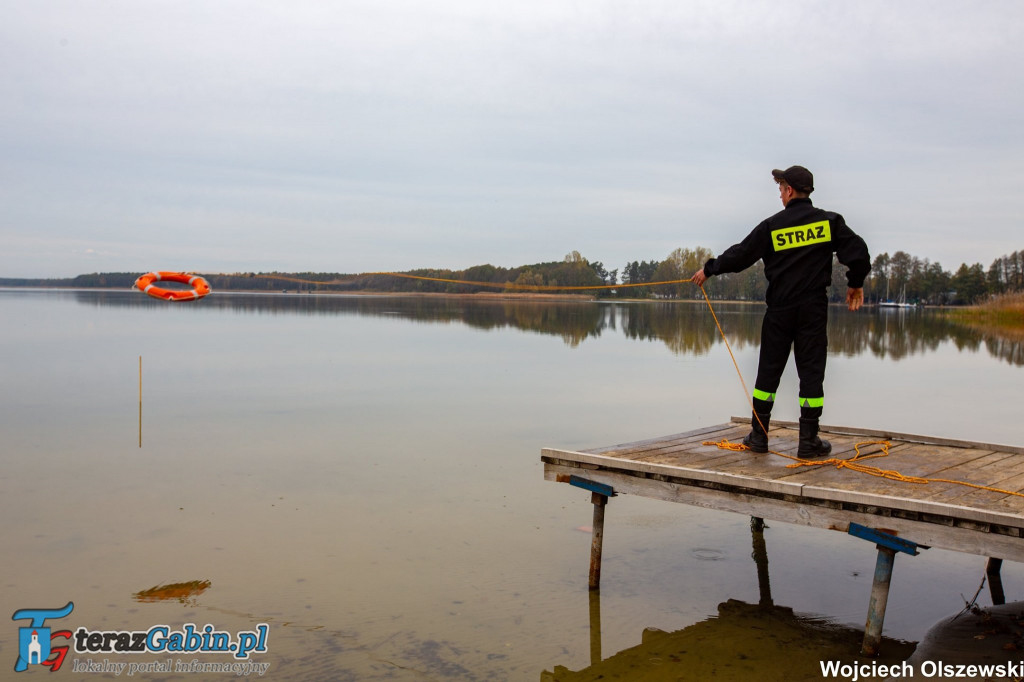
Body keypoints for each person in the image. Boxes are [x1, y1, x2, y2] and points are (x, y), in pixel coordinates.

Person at [691, 166, 870, 458]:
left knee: (768, 371)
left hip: (780, 310)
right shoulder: (829, 222)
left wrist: (710, 269)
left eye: (780, 189)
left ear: (789, 191)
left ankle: (759, 436)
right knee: (811, 373)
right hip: (812, 310)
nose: (779, 194)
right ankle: (808, 441)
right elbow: (858, 252)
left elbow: (741, 254)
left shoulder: (773, 226)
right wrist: (855, 283)